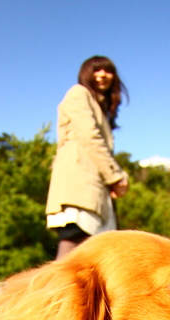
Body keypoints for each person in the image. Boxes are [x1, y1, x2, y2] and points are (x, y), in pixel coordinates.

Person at [46, 55, 129, 259]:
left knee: (89, 258)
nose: (102, 75)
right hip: (79, 187)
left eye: (107, 71)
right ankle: (49, 292)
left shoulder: (100, 108)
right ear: (86, 74)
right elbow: (90, 137)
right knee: (71, 252)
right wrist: (115, 176)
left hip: (94, 191)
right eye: (96, 70)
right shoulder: (78, 93)